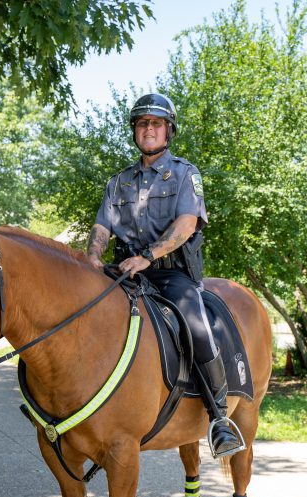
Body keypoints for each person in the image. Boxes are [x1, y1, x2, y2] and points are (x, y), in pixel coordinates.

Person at [85, 93, 244, 458]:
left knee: (199, 327)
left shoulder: (186, 174)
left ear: (169, 130)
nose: (149, 130)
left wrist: (148, 256)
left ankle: (219, 419)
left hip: (171, 276)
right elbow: (101, 227)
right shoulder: (119, 182)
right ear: (135, 132)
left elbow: (186, 225)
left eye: (156, 123)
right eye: (143, 124)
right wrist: (92, 257)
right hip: (123, 274)